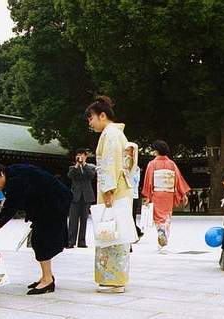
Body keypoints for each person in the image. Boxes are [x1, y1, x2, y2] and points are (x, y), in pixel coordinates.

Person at [0, 160, 71, 295]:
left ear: (0, 174)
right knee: (40, 240)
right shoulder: (13, 173)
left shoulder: (16, 179)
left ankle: (48, 280)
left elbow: (12, 206)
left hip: (55, 203)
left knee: (41, 240)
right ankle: (46, 276)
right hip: (48, 203)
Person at [85, 95, 137, 293]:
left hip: (114, 190)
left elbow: (110, 163)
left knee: (113, 232)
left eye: (91, 118)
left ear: (102, 115)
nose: (90, 123)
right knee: (113, 231)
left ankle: (115, 280)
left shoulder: (111, 134)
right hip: (118, 187)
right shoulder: (113, 133)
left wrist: (108, 190)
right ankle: (113, 278)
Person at [141, 140, 190, 252]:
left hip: (157, 193)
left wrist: (147, 196)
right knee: (167, 217)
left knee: (158, 217)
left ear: (156, 151)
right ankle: (164, 240)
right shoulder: (171, 164)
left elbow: (148, 181)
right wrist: (183, 194)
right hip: (169, 193)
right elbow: (178, 180)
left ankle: (161, 233)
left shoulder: (152, 164)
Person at [67, 148, 96, 248]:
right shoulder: (72, 168)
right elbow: (70, 176)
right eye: (78, 155)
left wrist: (83, 164)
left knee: (84, 220)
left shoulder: (90, 167)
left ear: (85, 156)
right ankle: (71, 241)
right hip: (75, 197)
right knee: (73, 220)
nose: (80, 157)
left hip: (86, 197)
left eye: (82, 155)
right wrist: (77, 165)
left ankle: (82, 241)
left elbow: (92, 176)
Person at [125, 142, 144, 241]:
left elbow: (133, 180)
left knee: (131, 216)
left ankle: (135, 233)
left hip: (133, 194)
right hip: (125, 194)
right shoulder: (123, 163)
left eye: (129, 151)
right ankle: (136, 232)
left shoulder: (135, 168)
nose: (127, 153)